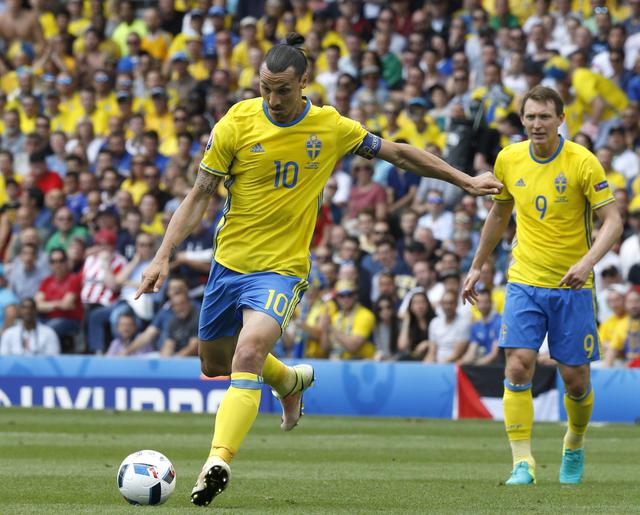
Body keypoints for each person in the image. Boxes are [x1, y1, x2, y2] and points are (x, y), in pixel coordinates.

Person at [134, 32, 502, 507]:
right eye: (265, 87)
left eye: (283, 89)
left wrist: (464, 179)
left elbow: (399, 153)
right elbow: (200, 195)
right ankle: (288, 380)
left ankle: (216, 463)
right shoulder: (235, 123)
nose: (272, 98)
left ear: (304, 82)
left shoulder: (331, 127)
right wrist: (163, 254)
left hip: (282, 270)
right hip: (229, 264)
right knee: (215, 363)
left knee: (247, 355)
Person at [462, 86, 623, 486]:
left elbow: (614, 221)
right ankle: (523, 463)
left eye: (545, 117)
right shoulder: (509, 159)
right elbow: (500, 215)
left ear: (560, 119)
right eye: (530, 116)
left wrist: (587, 262)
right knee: (518, 364)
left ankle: (574, 442)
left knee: (575, 380)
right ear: (522, 119)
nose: (537, 124)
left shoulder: (583, 163)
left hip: (572, 286)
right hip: (525, 280)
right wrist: (477, 265)